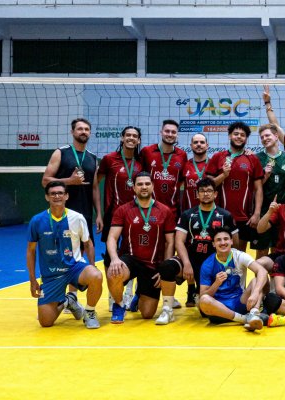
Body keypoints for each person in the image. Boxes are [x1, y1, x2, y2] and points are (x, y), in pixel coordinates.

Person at [27, 181, 103, 328]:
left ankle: (90, 312)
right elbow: (31, 251)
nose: (57, 196)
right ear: (47, 197)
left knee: (96, 276)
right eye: (53, 193)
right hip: (51, 275)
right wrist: (32, 280)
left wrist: (92, 267)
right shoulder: (37, 221)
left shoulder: (77, 217)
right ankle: (68, 301)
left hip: (74, 267)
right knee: (45, 322)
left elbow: (88, 244)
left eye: (60, 193)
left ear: (66, 196)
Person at [104, 172, 176, 324]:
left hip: (152, 264)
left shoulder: (165, 211)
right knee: (114, 272)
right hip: (130, 260)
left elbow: (170, 242)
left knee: (147, 314)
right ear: (134, 188)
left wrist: (164, 268)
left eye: (147, 184)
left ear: (152, 186)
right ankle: (119, 304)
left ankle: (139, 293)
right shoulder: (123, 210)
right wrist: (115, 259)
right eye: (140, 184)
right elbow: (112, 237)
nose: (144, 187)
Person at [42, 118, 100, 261]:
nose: (83, 132)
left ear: (90, 133)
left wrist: (99, 214)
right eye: (80, 129)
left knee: (86, 246)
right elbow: (45, 181)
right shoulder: (61, 152)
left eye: (86, 129)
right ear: (72, 132)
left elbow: (94, 188)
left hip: (85, 211)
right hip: (62, 212)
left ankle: (87, 280)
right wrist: (69, 181)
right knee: (61, 250)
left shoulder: (92, 158)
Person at [175, 178, 238, 308]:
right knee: (168, 267)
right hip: (192, 259)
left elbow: (235, 242)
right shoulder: (188, 214)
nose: (206, 194)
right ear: (197, 194)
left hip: (213, 261)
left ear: (215, 194)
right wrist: (186, 263)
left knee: (205, 309)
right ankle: (169, 305)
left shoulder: (225, 215)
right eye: (202, 191)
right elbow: (179, 241)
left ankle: (197, 290)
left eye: (209, 191)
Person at [205, 121, 264, 252]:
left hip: (243, 217)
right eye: (235, 134)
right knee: (217, 252)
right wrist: (224, 175)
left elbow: (259, 188)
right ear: (229, 136)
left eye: (242, 135)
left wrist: (257, 213)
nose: (239, 137)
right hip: (218, 215)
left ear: (246, 138)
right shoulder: (217, 157)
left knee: (239, 255)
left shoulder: (252, 159)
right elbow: (207, 187)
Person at [198, 227, 267, 332]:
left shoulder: (239, 256)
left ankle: (254, 313)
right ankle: (244, 319)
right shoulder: (208, 264)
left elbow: (262, 271)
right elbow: (204, 295)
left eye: (226, 239)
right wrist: (216, 283)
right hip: (220, 308)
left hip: (240, 301)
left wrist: (255, 293)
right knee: (203, 300)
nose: (223, 242)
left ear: (231, 241)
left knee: (256, 280)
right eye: (218, 240)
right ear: (213, 244)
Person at [252, 123, 285, 259]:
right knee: (261, 251)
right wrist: (265, 176)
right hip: (264, 209)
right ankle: (260, 280)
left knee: (279, 250)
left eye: (267, 135)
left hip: (283, 209)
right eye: (262, 137)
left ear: (276, 136)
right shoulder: (256, 158)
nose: (265, 138)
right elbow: (254, 188)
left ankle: (275, 280)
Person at [95, 126, 142, 243]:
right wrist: (99, 214)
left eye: (135, 136)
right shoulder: (109, 159)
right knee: (110, 254)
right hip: (112, 213)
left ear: (139, 141)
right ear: (122, 138)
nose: (131, 138)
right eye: (128, 135)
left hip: (135, 212)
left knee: (132, 251)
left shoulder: (141, 161)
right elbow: (95, 183)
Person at [140, 119, 187, 221]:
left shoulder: (182, 155)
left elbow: (182, 181)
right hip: (148, 208)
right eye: (167, 131)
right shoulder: (147, 152)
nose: (170, 134)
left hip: (172, 210)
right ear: (161, 132)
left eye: (173, 132)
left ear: (177, 135)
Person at [180, 133, 209, 210]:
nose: (199, 144)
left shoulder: (213, 164)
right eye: (196, 142)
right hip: (189, 211)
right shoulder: (185, 165)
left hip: (210, 212)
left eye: (202, 142)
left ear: (207, 145)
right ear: (191, 146)